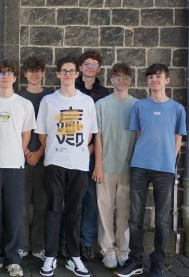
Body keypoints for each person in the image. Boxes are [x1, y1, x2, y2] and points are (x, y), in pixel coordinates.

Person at [116, 64, 186, 277]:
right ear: (147, 81)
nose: (154, 80)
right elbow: (138, 134)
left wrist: (168, 161)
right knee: (135, 218)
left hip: (164, 170)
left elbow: (178, 138)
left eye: (158, 76)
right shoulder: (139, 107)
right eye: (150, 77)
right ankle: (135, 260)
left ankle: (157, 263)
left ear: (167, 80)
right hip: (139, 167)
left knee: (163, 220)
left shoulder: (177, 109)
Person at [36, 56, 97, 277]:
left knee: (75, 211)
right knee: (53, 209)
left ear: (77, 74)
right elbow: (42, 134)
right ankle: (50, 256)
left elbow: (90, 134)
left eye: (72, 71)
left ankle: (74, 257)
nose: (68, 74)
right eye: (64, 71)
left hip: (79, 164)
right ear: (58, 75)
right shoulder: (48, 101)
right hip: (54, 163)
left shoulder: (87, 102)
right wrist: (54, 150)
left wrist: (78, 151)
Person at [0, 60, 36, 277]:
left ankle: (13, 259)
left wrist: (18, 153)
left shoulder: (24, 104)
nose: (5, 77)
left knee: (14, 213)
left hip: (15, 166)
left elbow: (27, 133)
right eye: (1, 74)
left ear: (14, 77)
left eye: (9, 73)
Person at [92, 63, 137, 269]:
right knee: (105, 210)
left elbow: (139, 137)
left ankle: (123, 250)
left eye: (125, 76)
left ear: (130, 79)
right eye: (117, 76)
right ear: (111, 80)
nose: (121, 80)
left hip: (129, 166)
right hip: (107, 165)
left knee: (126, 211)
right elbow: (97, 136)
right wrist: (98, 165)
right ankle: (108, 250)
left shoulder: (138, 105)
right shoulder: (101, 104)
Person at [17, 55, 54, 262]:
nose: (34, 74)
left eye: (37, 70)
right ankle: (22, 245)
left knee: (41, 204)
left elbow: (53, 128)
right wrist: (25, 152)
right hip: (21, 157)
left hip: (45, 157)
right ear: (25, 74)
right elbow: (15, 128)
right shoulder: (18, 97)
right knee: (21, 204)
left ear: (42, 73)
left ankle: (38, 246)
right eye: (30, 71)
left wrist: (39, 152)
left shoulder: (51, 97)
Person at [75, 51, 110, 262]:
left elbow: (101, 128)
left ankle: (87, 242)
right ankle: (67, 240)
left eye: (94, 64)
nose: (89, 67)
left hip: (93, 152)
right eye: (86, 63)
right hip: (71, 152)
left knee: (90, 199)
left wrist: (91, 150)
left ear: (99, 68)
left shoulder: (104, 93)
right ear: (80, 67)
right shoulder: (72, 88)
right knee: (69, 200)